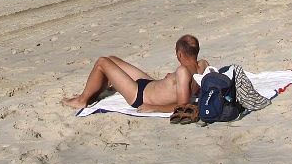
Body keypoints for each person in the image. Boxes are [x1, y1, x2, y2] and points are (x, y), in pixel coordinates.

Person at [61, 34, 208, 113]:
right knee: (112, 60)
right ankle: (91, 94)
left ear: (180, 54)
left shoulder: (182, 71)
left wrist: (155, 108)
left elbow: (183, 105)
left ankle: (81, 100)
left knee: (102, 62)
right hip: (150, 84)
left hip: (140, 95)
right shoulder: (203, 65)